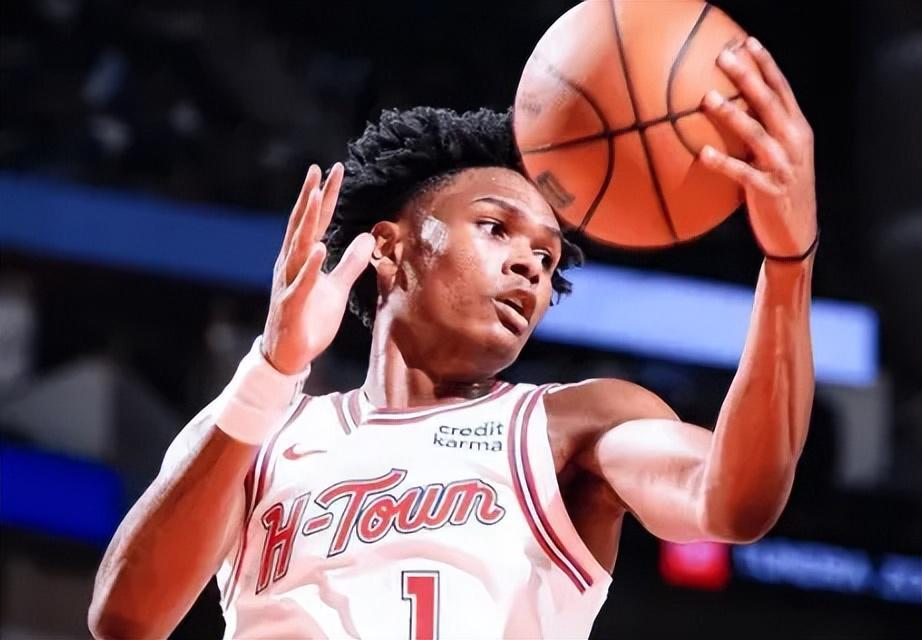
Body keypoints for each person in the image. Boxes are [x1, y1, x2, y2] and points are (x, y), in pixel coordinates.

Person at [89, 36, 817, 639]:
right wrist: (272, 373)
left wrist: (789, 265)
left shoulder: (572, 426)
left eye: (547, 258)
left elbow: (733, 500)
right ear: (389, 248)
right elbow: (126, 618)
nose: (529, 266)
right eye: (496, 228)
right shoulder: (263, 429)